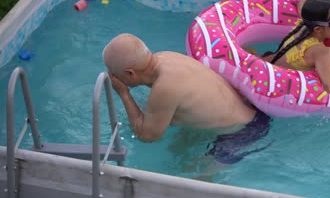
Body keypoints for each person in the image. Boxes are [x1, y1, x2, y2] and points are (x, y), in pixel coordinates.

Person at [102, 33, 271, 165]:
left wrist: (124, 93)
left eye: (115, 75)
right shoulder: (166, 57)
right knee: (177, 150)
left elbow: (148, 136)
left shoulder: (165, 87)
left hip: (245, 133)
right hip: (250, 113)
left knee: (194, 175)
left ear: (130, 74)